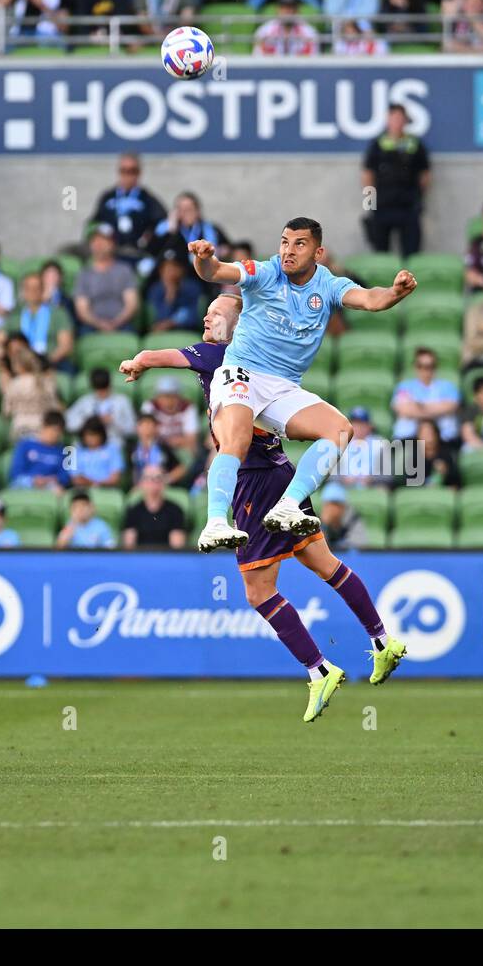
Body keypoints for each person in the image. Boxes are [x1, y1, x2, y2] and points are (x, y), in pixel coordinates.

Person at [118, 291, 408, 721]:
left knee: (258, 591)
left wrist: (139, 359)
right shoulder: (261, 361)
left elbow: (165, 356)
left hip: (254, 483)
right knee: (327, 565)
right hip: (283, 474)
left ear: (237, 325)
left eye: (215, 314)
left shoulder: (216, 354)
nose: (206, 318)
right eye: (206, 311)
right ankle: (384, 641)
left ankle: (319, 669)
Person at [185, 217, 417, 552]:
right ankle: (216, 522)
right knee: (236, 439)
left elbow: (370, 299)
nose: (288, 251)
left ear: (318, 252)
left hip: (283, 386)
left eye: (299, 244)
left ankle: (288, 505)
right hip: (242, 372)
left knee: (340, 430)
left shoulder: (328, 285)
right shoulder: (265, 272)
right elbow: (214, 272)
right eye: (284, 242)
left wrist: (394, 292)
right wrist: (204, 257)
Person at [361, 103, 431, 258]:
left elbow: (425, 174)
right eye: (393, 118)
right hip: (382, 206)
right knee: (380, 251)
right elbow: (367, 175)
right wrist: (369, 204)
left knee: (412, 252)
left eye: (400, 118)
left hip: (408, 206)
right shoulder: (378, 144)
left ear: (405, 121)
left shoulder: (415, 144)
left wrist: (419, 198)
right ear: (388, 120)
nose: (397, 122)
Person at [89, 152, 167, 266]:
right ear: (119, 172)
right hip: (111, 257)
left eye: (132, 171)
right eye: (124, 171)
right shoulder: (107, 197)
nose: (128, 176)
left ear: (139, 173)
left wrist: (150, 239)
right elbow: (93, 225)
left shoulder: (147, 199)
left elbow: (162, 223)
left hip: (139, 254)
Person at [2, 271, 75, 371]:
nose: (33, 292)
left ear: (43, 290)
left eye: (37, 288)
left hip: (52, 362)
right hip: (22, 366)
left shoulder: (58, 313)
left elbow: (66, 345)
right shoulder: (16, 314)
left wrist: (44, 362)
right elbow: (0, 338)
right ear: (23, 291)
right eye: (29, 289)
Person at [74, 224, 139, 334]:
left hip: (122, 324)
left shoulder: (124, 270)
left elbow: (132, 304)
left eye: (103, 240)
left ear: (112, 244)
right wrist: (99, 324)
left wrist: (116, 323)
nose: (98, 244)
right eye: (95, 240)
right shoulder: (84, 274)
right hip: (92, 326)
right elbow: (82, 309)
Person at [0, 334, 62, 441]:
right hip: (43, 430)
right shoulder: (47, 382)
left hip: (20, 430)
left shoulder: (14, 384)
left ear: (18, 365)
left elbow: (6, 411)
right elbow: (54, 407)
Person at [392, 346, 461, 442]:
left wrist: (419, 407)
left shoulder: (448, 386)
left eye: (430, 366)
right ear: (416, 367)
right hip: (409, 439)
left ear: (435, 366)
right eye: (421, 366)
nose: (426, 370)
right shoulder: (404, 386)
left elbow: (451, 406)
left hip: (443, 439)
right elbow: (403, 409)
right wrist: (436, 409)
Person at [122, 465, 188, 549]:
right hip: (140, 558)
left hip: (167, 558)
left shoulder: (175, 510)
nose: (154, 482)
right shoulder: (133, 511)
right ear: (141, 483)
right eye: (149, 478)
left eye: (158, 478)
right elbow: (129, 547)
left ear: (164, 483)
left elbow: (177, 547)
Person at [66, 366, 136, 444]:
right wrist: (89, 421)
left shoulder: (122, 401)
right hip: (89, 445)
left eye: (104, 389)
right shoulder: (85, 402)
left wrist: (114, 421)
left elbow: (133, 430)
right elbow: (69, 424)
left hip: (113, 443)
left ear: (109, 385)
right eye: (99, 390)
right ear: (93, 387)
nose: (102, 393)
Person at [9, 410, 71, 492]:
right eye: (53, 430)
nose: (55, 434)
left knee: (59, 491)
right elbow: (15, 472)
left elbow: (65, 477)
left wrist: (51, 480)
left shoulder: (63, 451)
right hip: (26, 484)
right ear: (44, 426)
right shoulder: (25, 445)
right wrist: (33, 480)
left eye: (59, 431)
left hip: (50, 486)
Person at [147, 249, 202, 331]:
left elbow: (193, 317)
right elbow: (158, 317)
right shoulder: (156, 289)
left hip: (187, 331)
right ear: (161, 271)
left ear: (182, 270)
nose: (171, 271)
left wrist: (171, 323)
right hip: (161, 332)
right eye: (166, 267)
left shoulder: (191, 287)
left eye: (175, 267)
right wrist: (170, 295)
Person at [253, 0, 322, 55]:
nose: (287, 11)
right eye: (284, 7)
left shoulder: (309, 32)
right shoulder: (264, 31)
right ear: (277, 10)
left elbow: (313, 60)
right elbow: (258, 58)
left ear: (297, 10)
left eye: (291, 7)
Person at [71, 415, 125, 488]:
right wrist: (93, 484)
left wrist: (98, 484)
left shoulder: (113, 449)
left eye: (94, 434)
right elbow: (75, 478)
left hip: (107, 491)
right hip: (82, 491)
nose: (91, 438)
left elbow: (115, 478)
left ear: (101, 435)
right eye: (88, 434)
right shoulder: (75, 450)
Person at [414, 417, 459, 487]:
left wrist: (446, 471)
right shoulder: (415, 456)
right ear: (418, 436)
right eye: (424, 433)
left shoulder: (446, 453)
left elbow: (456, 481)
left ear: (437, 434)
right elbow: (410, 484)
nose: (428, 437)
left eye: (430, 433)